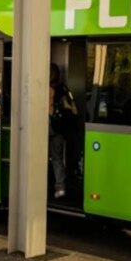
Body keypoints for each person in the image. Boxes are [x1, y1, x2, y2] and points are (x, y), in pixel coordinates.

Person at [49, 63, 77, 200]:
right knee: (57, 158)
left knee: (38, 156)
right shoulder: (64, 89)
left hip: (47, 124)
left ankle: (39, 184)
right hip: (60, 127)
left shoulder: (45, 88)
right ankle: (60, 187)